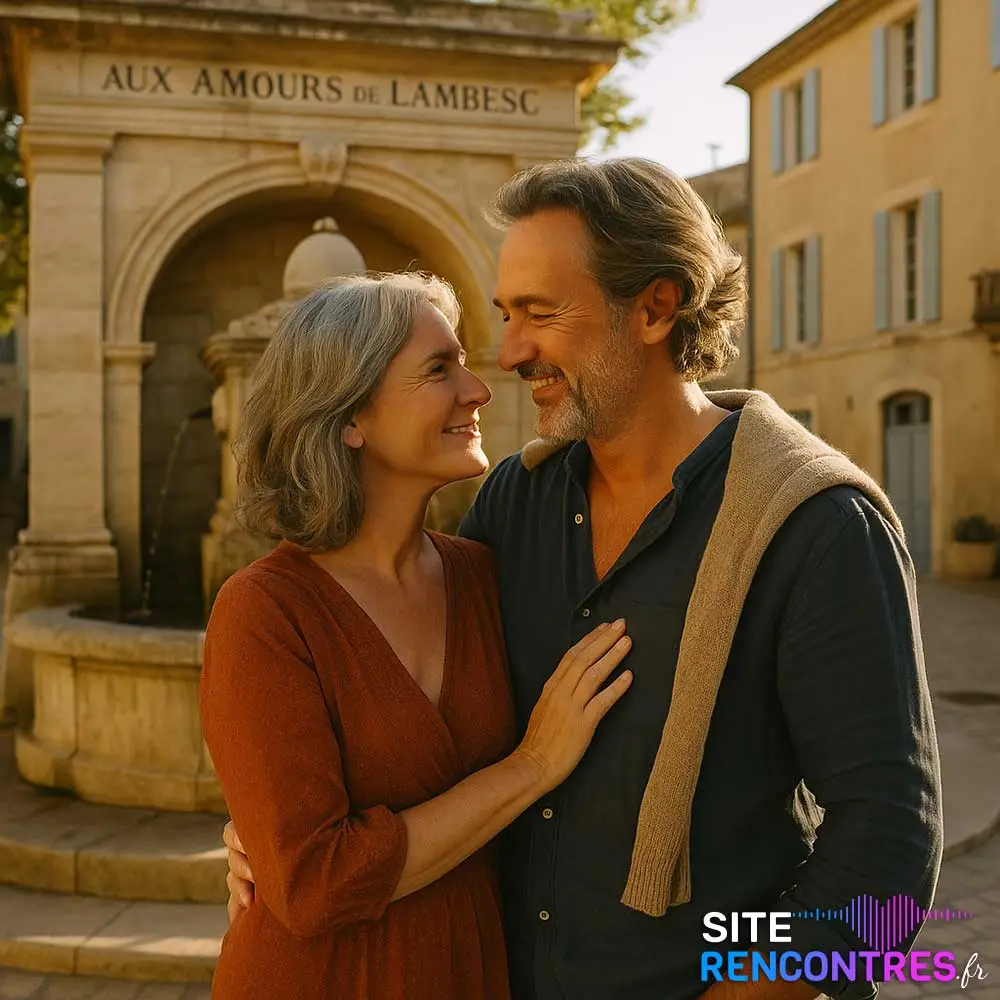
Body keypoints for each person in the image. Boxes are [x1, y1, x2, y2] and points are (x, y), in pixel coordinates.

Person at [225, 159, 943, 1000]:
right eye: (506, 314)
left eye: (542, 312)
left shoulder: (817, 527)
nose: (509, 351)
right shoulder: (515, 503)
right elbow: (410, 719)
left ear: (655, 306)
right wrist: (273, 824)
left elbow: (889, 846)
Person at [200, 271, 635, 1000]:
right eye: (439, 370)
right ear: (348, 417)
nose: (478, 390)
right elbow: (314, 886)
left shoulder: (483, 577)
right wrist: (530, 766)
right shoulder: (264, 611)